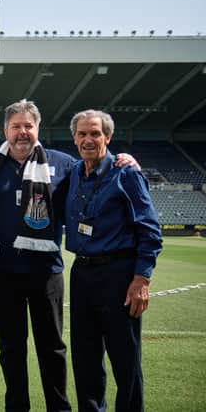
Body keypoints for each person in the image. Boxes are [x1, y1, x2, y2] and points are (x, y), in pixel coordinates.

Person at [65, 110, 162, 412]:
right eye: (82, 134)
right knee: (85, 358)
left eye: (95, 133)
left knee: (125, 359)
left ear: (107, 137)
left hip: (119, 274)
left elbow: (150, 229)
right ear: (75, 139)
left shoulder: (126, 173)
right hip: (82, 273)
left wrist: (141, 279)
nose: (88, 139)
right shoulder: (73, 174)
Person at [0, 99, 74, 412]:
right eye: (16, 126)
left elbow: (97, 172)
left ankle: (59, 407)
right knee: (11, 349)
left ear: (37, 128)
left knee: (52, 347)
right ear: (5, 130)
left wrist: (123, 159)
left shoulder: (63, 163)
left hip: (45, 273)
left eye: (28, 126)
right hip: (0, 273)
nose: (22, 132)